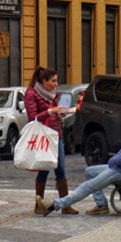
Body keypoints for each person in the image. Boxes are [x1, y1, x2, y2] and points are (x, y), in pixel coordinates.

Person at [40, 108, 121, 216]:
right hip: (120, 169)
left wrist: (115, 159)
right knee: (90, 171)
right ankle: (101, 205)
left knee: (88, 186)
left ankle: (53, 205)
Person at [25, 66, 76, 215]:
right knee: (44, 168)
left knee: (60, 168)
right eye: (53, 81)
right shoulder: (31, 94)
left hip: (56, 134)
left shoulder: (53, 94)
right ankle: (38, 203)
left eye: (56, 81)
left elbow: (53, 113)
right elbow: (32, 117)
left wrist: (60, 114)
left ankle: (65, 204)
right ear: (44, 81)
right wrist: (50, 111)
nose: (56, 84)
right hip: (43, 136)